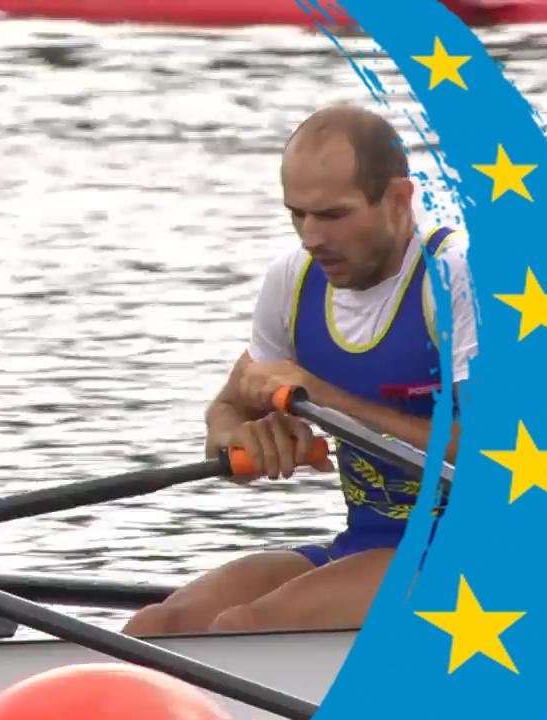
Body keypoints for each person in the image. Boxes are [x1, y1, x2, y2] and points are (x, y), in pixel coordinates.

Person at [123, 104, 477, 637]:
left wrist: (324, 400)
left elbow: (495, 456)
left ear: (399, 200)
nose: (310, 237)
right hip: (368, 546)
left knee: (245, 629)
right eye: (298, 215)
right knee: (157, 627)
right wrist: (244, 438)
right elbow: (227, 408)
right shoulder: (294, 281)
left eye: (333, 216)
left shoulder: (458, 279)